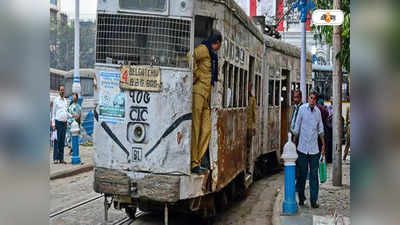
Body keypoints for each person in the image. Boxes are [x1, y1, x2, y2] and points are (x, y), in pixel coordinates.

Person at [190, 30, 222, 174]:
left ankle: (197, 158)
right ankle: (193, 163)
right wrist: (197, 75)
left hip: (205, 96)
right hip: (198, 93)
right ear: (216, 43)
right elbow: (190, 56)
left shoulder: (211, 55)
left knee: (206, 129)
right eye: (219, 45)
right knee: (196, 128)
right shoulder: (203, 49)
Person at [293, 90, 326, 208]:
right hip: (302, 148)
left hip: (314, 150)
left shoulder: (318, 112)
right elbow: (297, 128)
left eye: (314, 99)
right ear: (308, 98)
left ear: (316, 100)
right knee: (302, 174)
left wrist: (323, 144)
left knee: (313, 175)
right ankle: (301, 198)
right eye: (311, 98)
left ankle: (313, 200)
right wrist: (293, 143)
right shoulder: (302, 110)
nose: (312, 101)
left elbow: (320, 129)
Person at [52, 85, 71, 164]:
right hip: (57, 123)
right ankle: (55, 158)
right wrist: (53, 124)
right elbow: (53, 113)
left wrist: (71, 116)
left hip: (64, 123)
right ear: (58, 91)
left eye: (63, 90)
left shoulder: (65, 101)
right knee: (56, 141)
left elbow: (66, 112)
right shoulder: (56, 100)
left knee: (62, 142)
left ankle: (61, 158)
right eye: (61, 90)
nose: (62, 91)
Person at [247, 82, 256, 173]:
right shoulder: (242, 97)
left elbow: (254, 114)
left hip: (249, 127)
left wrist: (254, 127)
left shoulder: (252, 99)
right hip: (245, 126)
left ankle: (247, 167)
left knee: (248, 148)